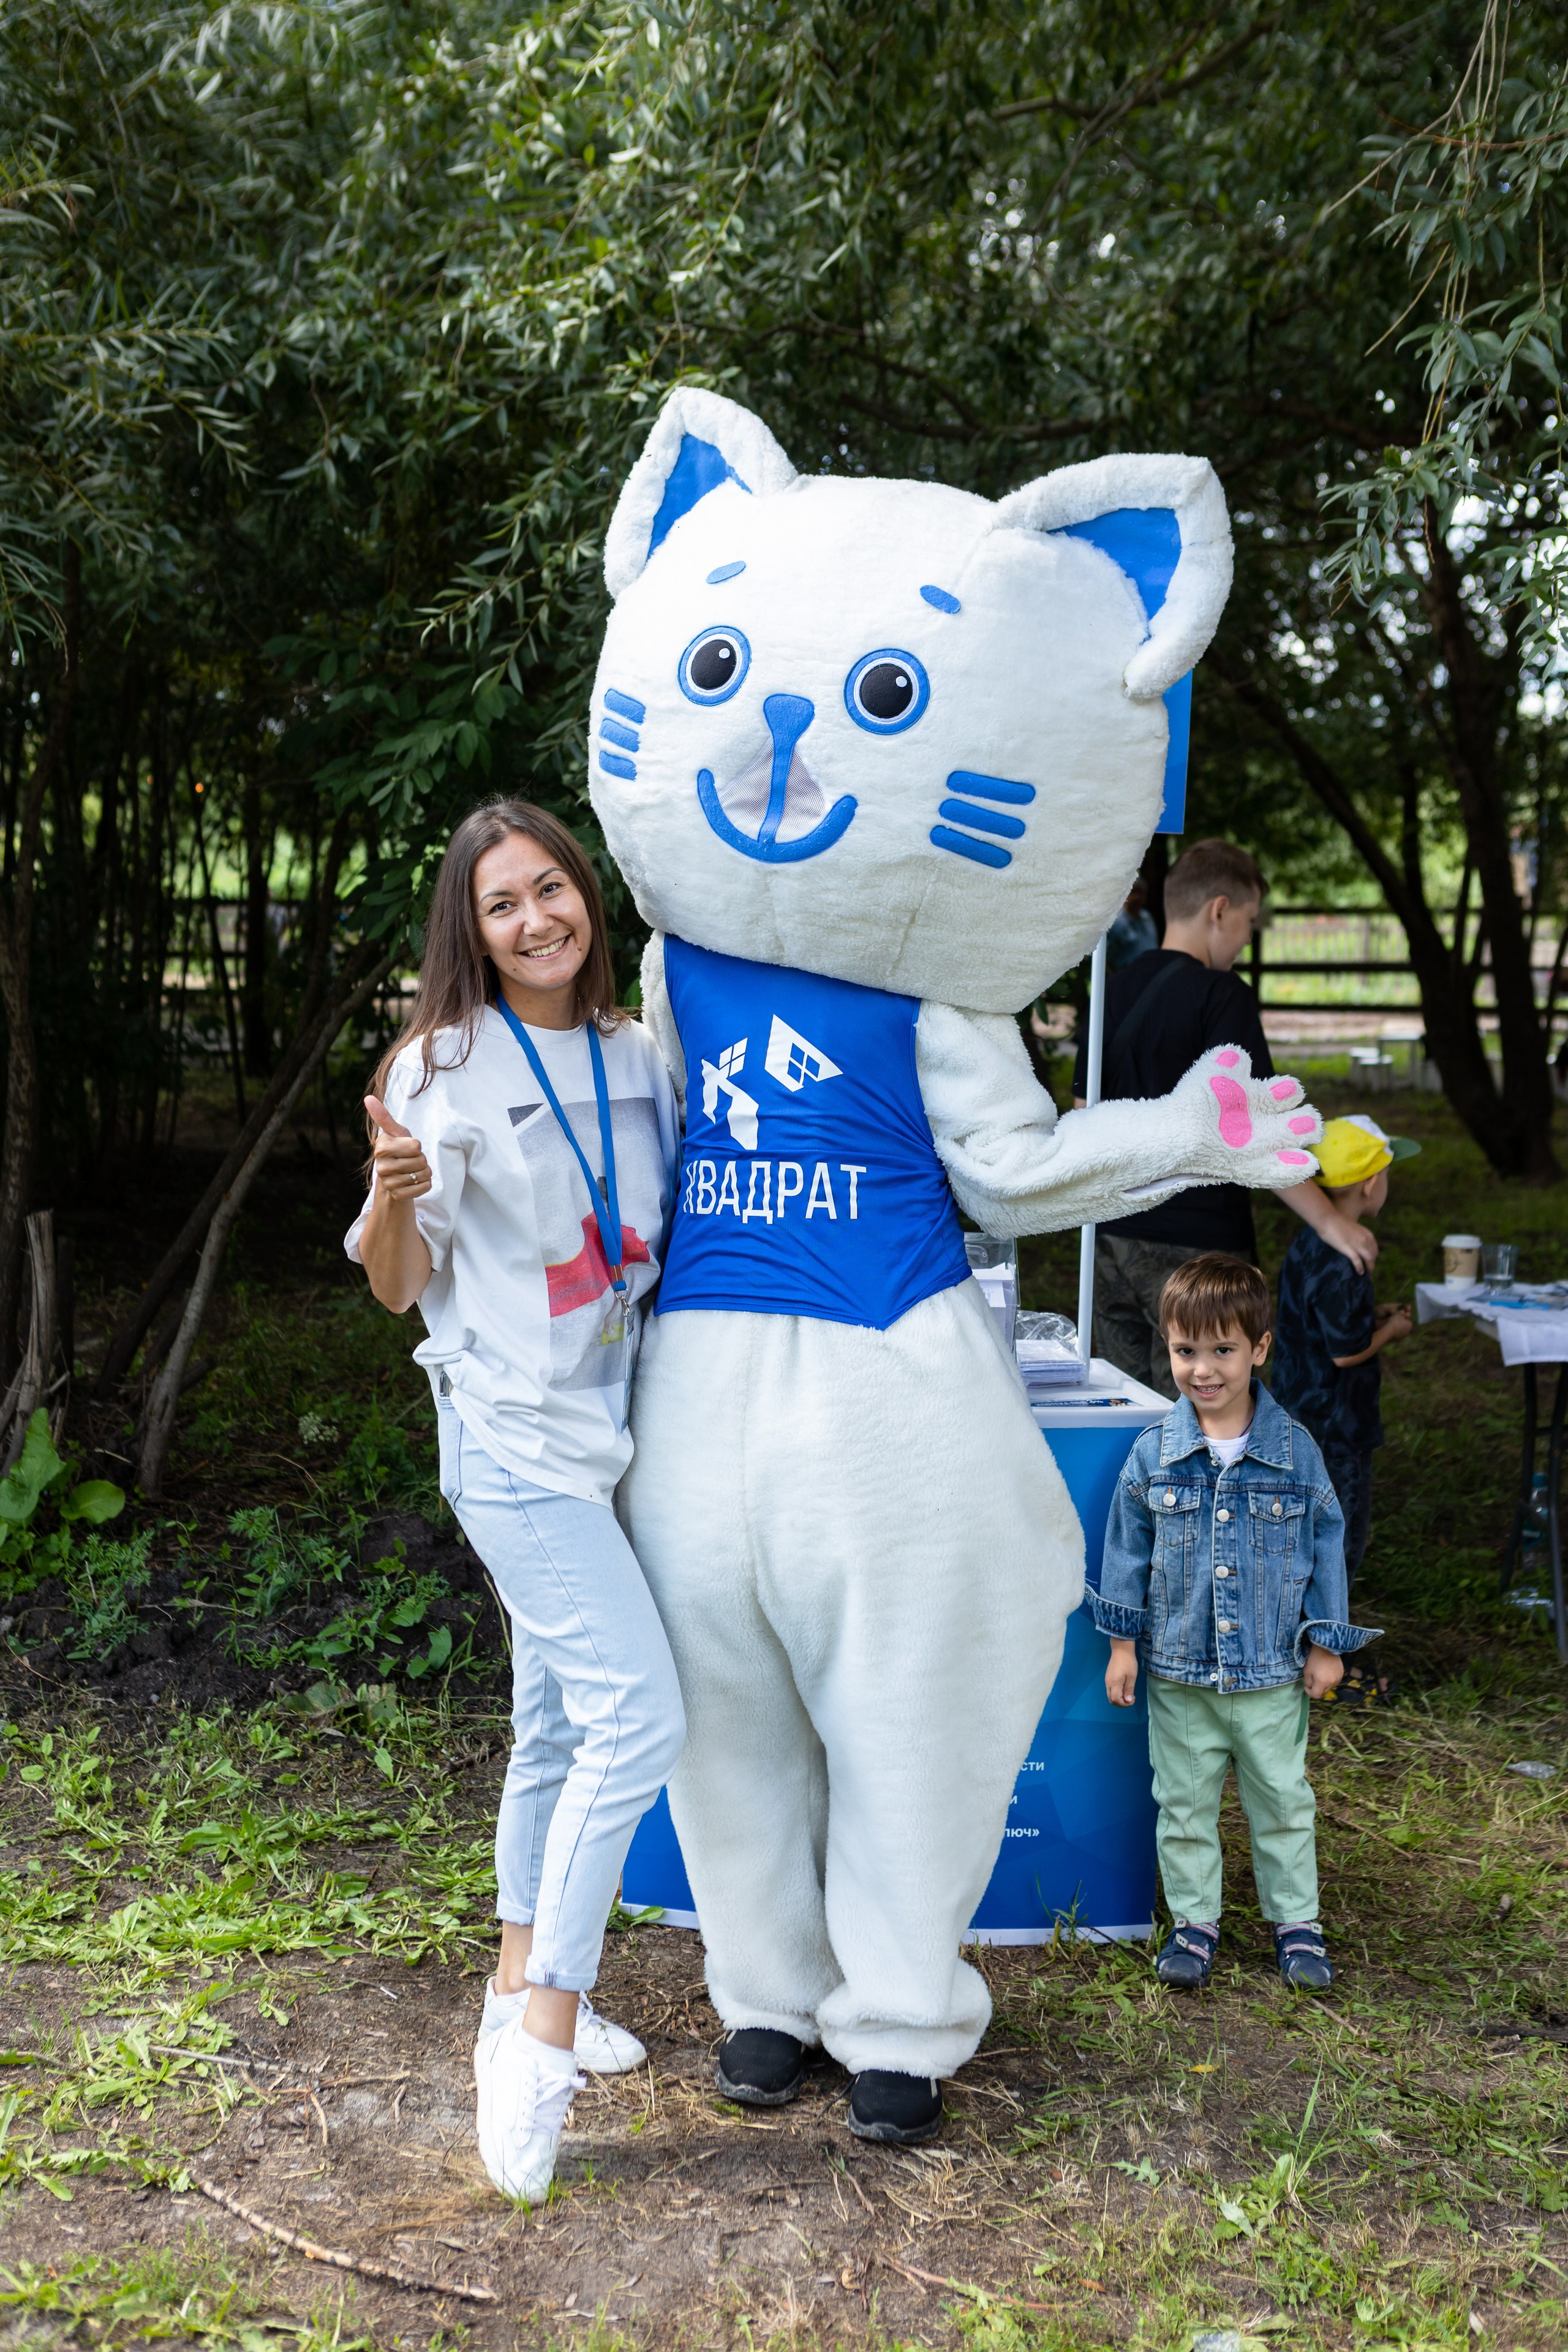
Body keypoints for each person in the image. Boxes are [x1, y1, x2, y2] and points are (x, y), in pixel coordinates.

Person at [347, 797, 686, 2204]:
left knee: (553, 1724)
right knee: (640, 1715)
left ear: (583, 898)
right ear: (468, 930)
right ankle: (538, 2035)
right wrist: (386, 1193)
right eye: (503, 903)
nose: (536, 917)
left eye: (551, 888)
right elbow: (396, 1281)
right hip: (511, 1451)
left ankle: (507, 1991)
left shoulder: (633, 1054)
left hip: (613, 1437)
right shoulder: (445, 1068)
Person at [1095, 1254, 1381, 1991]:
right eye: (1185, 1351)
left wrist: (1326, 1641)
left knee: (1282, 1802)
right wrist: (1122, 1646)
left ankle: (1297, 1925)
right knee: (1183, 1806)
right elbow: (1126, 1550)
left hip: (1267, 1674)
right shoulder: (1153, 1456)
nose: (1202, 1369)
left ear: (1259, 1348)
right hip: (1179, 1674)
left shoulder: (1294, 1455)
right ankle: (1194, 1925)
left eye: (1222, 1350)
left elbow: (1326, 1545)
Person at [1073, 839, 1376, 1398]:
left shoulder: (1109, 992)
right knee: (1203, 1433)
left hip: (1112, 1247)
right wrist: (1331, 1222)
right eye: (1249, 921)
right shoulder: (1223, 997)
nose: (1245, 938)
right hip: (1199, 1260)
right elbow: (1255, 1136)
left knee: (1124, 1425)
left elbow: (1083, 1118)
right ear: (1219, 910)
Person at [1270, 1115, 1418, 1587]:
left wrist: (1372, 1315)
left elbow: (1319, 1320)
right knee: (1339, 1531)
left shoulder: (1311, 1240)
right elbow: (1346, 1353)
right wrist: (1391, 1330)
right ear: (1372, 1183)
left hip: (1296, 1409)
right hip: (1336, 1424)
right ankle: (1325, 1650)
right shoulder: (1350, 1257)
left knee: (1300, 1529)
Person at [1107, 877, 1159, 969]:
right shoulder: (1116, 923)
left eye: (1141, 893)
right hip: (1127, 976)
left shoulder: (1148, 917)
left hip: (1151, 973)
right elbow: (1107, 958)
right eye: (1133, 892)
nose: (1137, 897)